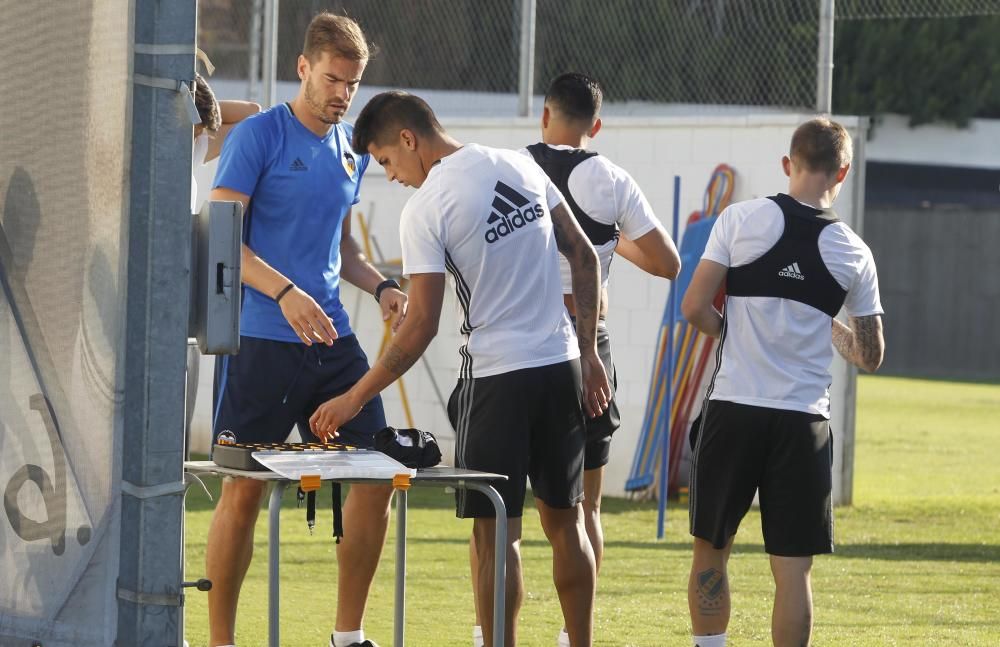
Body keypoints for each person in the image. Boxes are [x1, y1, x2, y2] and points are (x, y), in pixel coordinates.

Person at [309, 90, 613, 647]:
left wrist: (354, 397)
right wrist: (591, 353)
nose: (392, 176)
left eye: (386, 162)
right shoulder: (521, 162)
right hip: (563, 366)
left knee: (496, 533)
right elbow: (585, 256)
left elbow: (420, 327)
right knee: (567, 524)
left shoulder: (427, 207)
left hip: (496, 380)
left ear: (408, 139)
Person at [204, 14, 407, 647]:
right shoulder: (258, 137)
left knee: (378, 474)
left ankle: (348, 635)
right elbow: (222, 242)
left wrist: (382, 286)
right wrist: (284, 291)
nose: (342, 93)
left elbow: (341, 249)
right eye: (332, 78)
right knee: (243, 491)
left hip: (333, 343)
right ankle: (220, 641)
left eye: (352, 82)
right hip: (261, 338)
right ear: (303, 67)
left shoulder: (351, 151)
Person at [468, 71, 681, 647]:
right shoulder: (611, 178)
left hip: (515, 348)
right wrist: (605, 243)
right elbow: (668, 263)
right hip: (588, 351)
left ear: (544, 114)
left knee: (497, 523)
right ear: (596, 125)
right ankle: (572, 633)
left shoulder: (512, 167)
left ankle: (493, 632)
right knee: (581, 512)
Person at [680, 117, 884, 647]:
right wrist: (823, 320)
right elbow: (870, 355)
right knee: (793, 571)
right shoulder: (854, 253)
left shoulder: (739, 218)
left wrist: (732, 332)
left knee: (711, 550)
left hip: (734, 410)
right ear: (843, 171)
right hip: (803, 421)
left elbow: (695, 307)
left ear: (787, 164)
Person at [186, 73, 260, 458]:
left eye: (199, 132)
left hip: (185, 284)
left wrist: (203, 103)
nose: (196, 139)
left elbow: (252, 114)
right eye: (193, 130)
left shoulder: (196, 143)